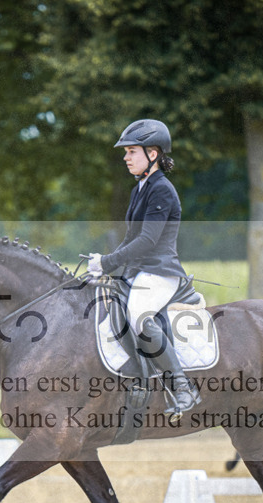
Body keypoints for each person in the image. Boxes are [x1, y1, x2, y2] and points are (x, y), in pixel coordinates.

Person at [85, 118, 200, 416]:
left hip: (160, 272)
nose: (125, 157)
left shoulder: (161, 189)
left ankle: (183, 388)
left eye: (131, 151)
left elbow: (148, 241)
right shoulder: (140, 189)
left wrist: (109, 262)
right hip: (140, 271)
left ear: (153, 154)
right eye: (126, 152)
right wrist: (104, 266)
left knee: (139, 315)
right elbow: (130, 239)